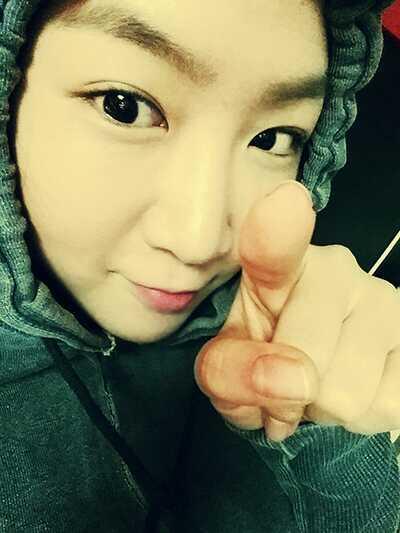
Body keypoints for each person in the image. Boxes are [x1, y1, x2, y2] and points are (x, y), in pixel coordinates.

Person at [0, 0, 399, 531]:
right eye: (124, 106)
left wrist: (310, 424)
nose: (200, 241)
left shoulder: (268, 329)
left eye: (272, 139)